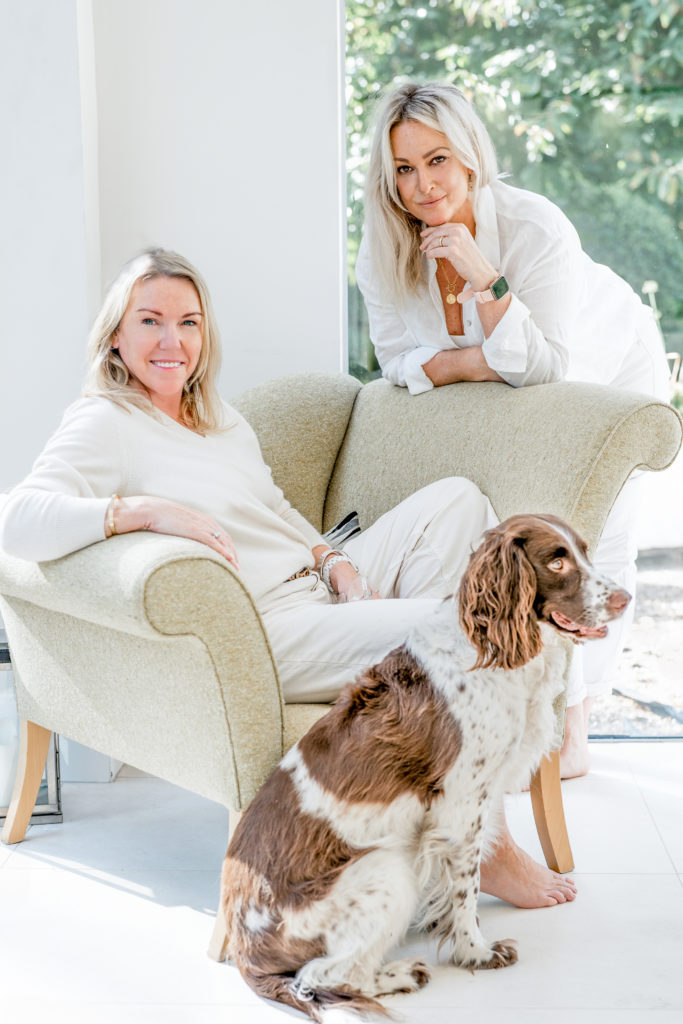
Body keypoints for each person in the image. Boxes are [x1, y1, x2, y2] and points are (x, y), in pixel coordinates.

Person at [0, 247, 574, 910]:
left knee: (458, 502)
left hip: (316, 587)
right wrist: (140, 512)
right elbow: (16, 519)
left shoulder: (217, 419)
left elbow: (272, 508)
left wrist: (336, 563)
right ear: (116, 336)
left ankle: (414, 700)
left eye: (188, 322)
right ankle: (481, 843)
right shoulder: (105, 421)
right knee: (462, 634)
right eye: (150, 321)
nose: (171, 341)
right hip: (267, 627)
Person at [357, 80, 671, 779]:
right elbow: (394, 366)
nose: (422, 185)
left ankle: (572, 726)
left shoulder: (535, 228)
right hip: (521, 384)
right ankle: (503, 701)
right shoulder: (379, 250)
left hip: (607, 368)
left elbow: (549, 367)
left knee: (588, 536)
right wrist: (484, 361)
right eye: (403, 169)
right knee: (504, 534)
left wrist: (483, 275)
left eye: (437, 160)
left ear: (469, 157)